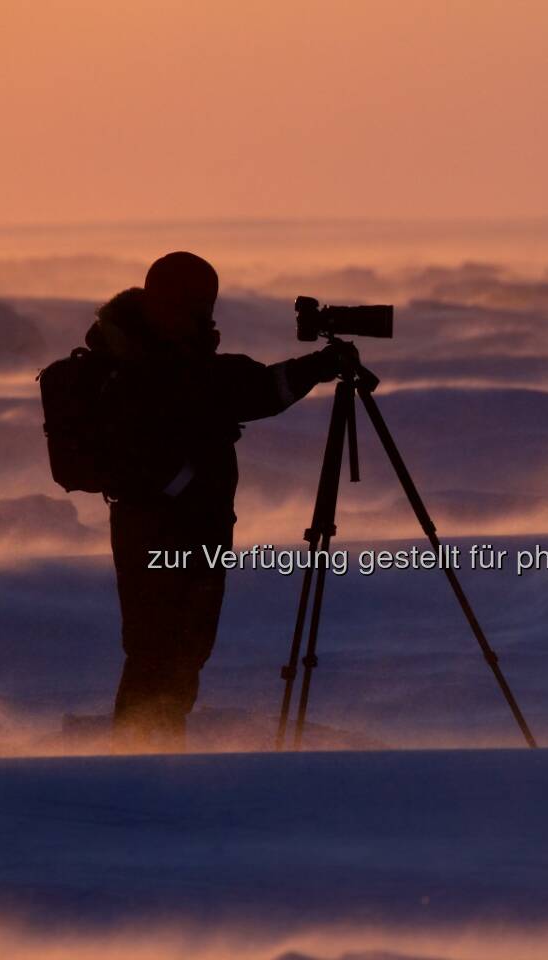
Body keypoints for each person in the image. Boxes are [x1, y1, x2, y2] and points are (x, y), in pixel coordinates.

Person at [91, 251, 350, 751]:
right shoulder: (152, 368)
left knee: (177, 653)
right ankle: (139, 759)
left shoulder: (166, 360)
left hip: (188, 530)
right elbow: (242, 390)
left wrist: (315, 368)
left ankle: (154, 751)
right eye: (198, 305)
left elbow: (246, 389)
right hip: (163, 532)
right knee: (159, 652)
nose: (206, 316)